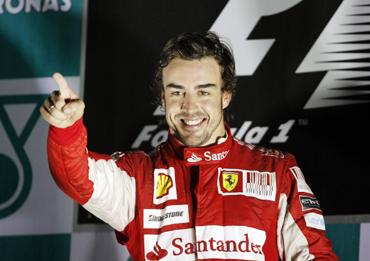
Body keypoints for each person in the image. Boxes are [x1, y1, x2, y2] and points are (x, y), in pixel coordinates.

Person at [40, 32, 338, 260]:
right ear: (163, 98)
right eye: (177, 91)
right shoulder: (138, 176)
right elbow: (77, 177)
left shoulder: (276, 171)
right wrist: (66, 128)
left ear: (226, 95)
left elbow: (315, 255)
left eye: (204, 92)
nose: (189, 107)